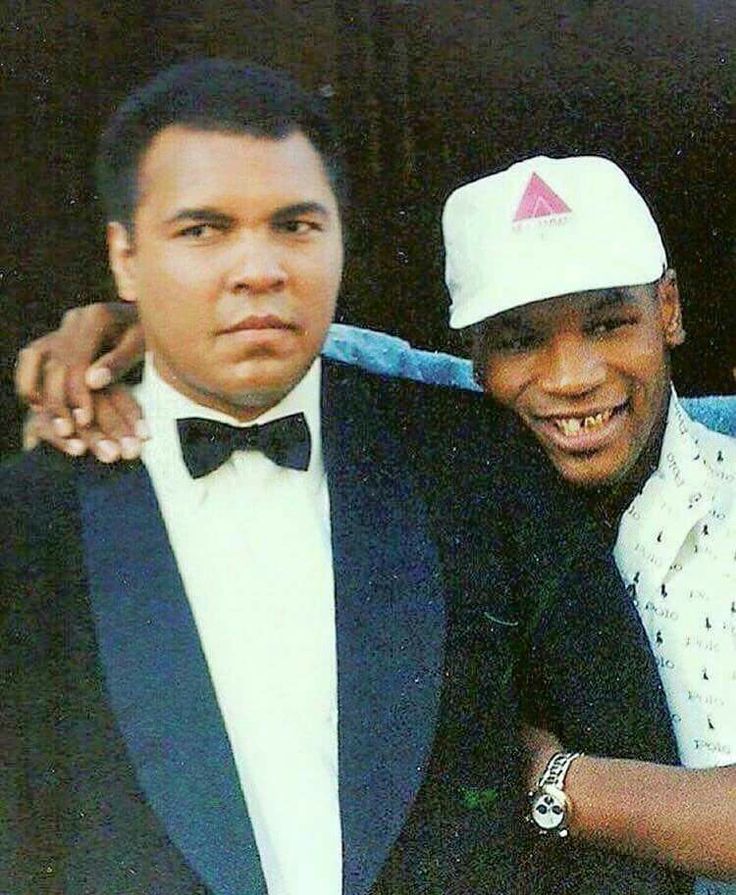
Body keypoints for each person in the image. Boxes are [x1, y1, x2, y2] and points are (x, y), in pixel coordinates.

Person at [2, 60, 680, 895]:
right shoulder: (29, 523)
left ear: (339, 240)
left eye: (295, 225)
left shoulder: (483, 458)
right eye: (203, 230)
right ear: (124, 259)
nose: (259, 270)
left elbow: (636, 818)